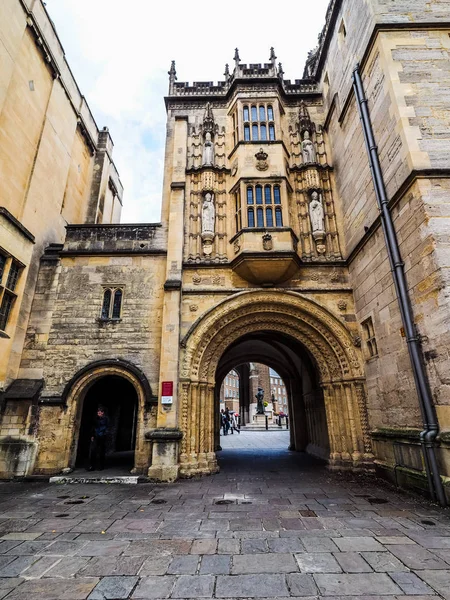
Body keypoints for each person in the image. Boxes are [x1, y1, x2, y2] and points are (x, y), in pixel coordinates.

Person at [88, 406, 109, 471]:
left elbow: (107, 427)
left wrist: (105, 434)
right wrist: (92, 435)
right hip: (96, 436)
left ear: (102, 413)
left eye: (100, 412)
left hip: (102, 436)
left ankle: (101, 466)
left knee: (101, 451)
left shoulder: (106, 419)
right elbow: (93, 427)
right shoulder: (95, 419)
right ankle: (92, 466)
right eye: (98, 412)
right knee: (93, 451)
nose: (98, 413)